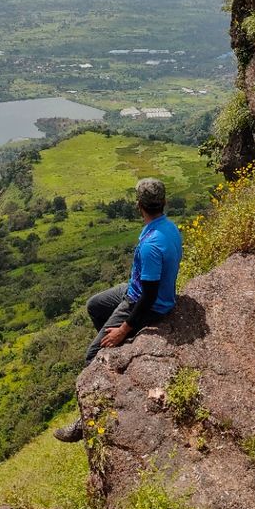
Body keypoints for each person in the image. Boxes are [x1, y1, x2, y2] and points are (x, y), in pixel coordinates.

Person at [53, 176, 183, 443]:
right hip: (133, 290)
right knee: (94, 305)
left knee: (91, 356)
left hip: (143, 302)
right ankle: (113, 350)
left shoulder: (150, 245)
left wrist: (124, 329)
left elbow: (147, 296)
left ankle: (86, 420)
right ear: (164, 202)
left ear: (139, 206)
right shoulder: (168, 228)